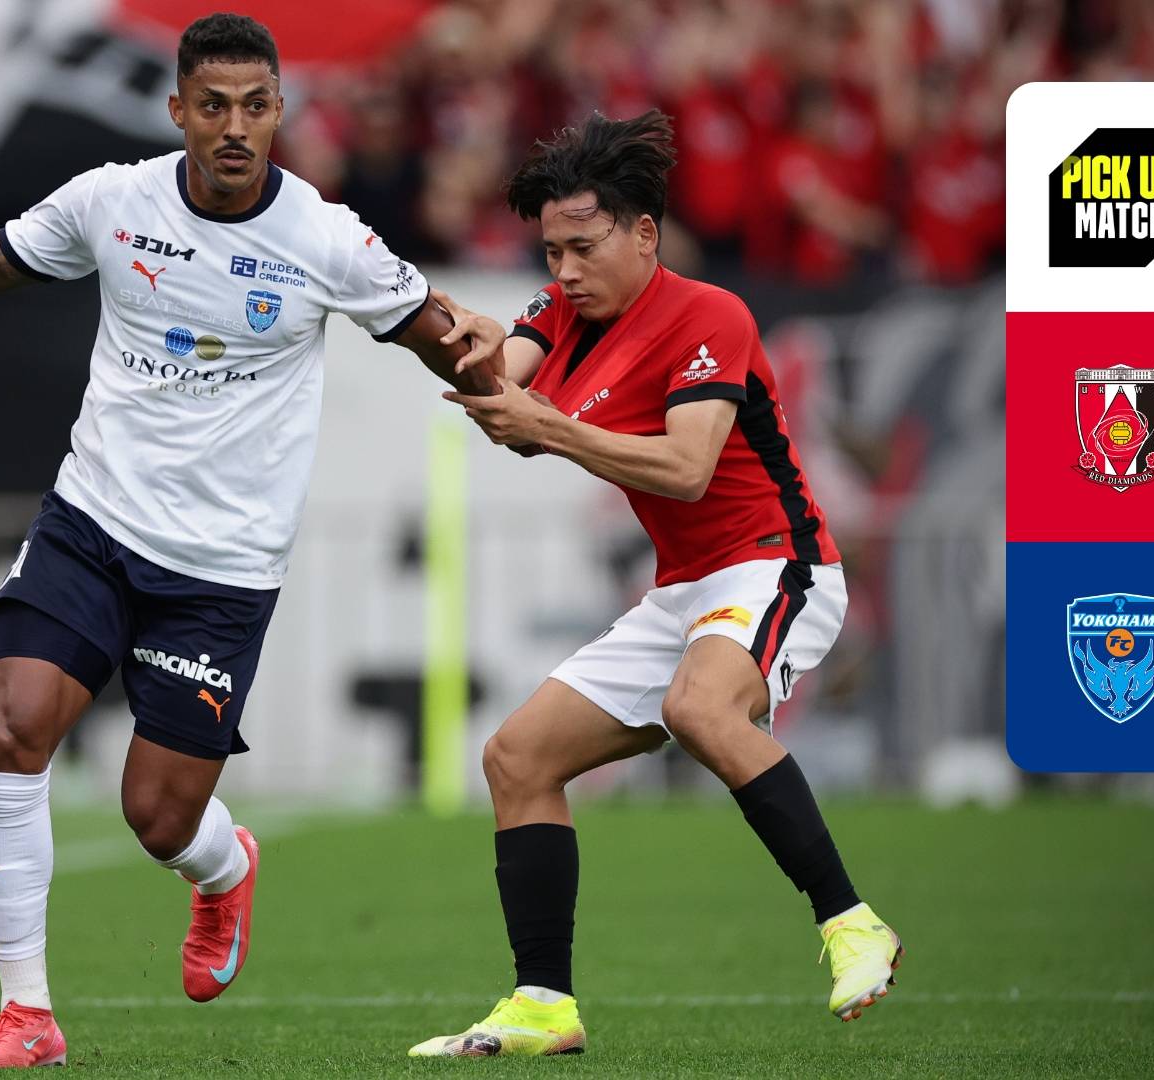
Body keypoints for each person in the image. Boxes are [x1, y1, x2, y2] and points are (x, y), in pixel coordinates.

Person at [0, 13, 501, 1070]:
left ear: (278, 111)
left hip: (222, 571)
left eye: (255, 107)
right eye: (214, 106)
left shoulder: (327, 239)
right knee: (12, 729)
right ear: (178, 109)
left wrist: (528, 398)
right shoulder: (112, 201)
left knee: (157, 817)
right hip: (92, 523)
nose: (234, 128)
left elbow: (447, 339)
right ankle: (27, 1015)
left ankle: (225, 870)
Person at [409, 111, 902, 1058]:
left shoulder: (712, 315)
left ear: (645, 233)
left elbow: (685, 468)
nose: (564, 272)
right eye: (551, 253)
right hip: (685, 589)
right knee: (517, 759)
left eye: (583, 248)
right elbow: (497, 386)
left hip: (776, 562)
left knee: (700, 708)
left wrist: (544, 425)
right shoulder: (562, 313)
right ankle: (543, 1006)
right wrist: (443, 332)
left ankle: (852, 923)